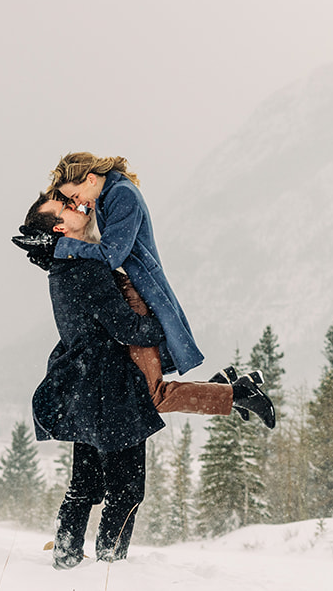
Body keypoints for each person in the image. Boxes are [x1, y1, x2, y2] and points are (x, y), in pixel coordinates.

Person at [16, 193, 275, 568]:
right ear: (59, 228)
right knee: (125, 491)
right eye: (68, 209)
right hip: (110, 390)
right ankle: (110, 566)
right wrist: (164, 326)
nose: (79, 208)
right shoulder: (84, 268)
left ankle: (66, 557)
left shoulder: (64, 265)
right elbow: (124, 326)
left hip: (87, 386)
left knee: (84, 486)